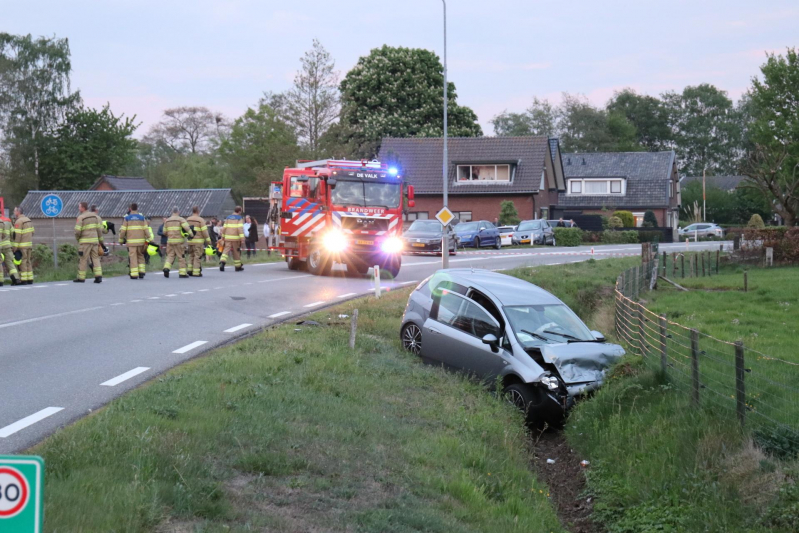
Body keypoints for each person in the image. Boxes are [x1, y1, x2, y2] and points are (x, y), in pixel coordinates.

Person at [73, 201, 104, 283]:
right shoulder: (95, 216)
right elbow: (99, 230)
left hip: (85, 242)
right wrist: (100, 240)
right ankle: (98, 276)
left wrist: (78, 239)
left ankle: (81, 278)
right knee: (95, 258)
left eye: (79, 207)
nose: (78, 208)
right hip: (94, 241)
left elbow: (77, 231)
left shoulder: (81, 217)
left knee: (83, 259)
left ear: (83, 208)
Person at [119, 203, 151, 279]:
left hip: (131, 242)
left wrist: (121, 240)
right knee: (140, 256)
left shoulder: (127, 218)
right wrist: (150, 238)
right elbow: (146, 229)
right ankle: (142, 272)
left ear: (130, 208)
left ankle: (134, 274)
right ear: (137, 208)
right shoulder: (142, 217)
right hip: (141, 241)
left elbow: (123, 231)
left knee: (133, 257)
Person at [162, 207, 193, 278]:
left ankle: (166, 268)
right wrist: (191, 235)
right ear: (178, 212)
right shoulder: (181, 219)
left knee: (170, 256)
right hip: (179, 242)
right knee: (181, 257)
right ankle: (182, 273)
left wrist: (169, 235)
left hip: (170, 242)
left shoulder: (167, 220)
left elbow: (164, 232)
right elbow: (187, 228)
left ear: (172, 211)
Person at [187, 206, 211, 276]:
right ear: (198, 211)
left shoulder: (188, 219)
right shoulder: (200, 220)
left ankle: (189, 270)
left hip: (190, 241)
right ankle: (196, 272)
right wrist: (208, 241)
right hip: (198, 241)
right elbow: (204, 232)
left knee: (191, 255)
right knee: (197, 257)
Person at [12, 206, 34, 284]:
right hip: (29, 245)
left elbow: (17, 236)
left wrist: (15, 247)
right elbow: (33, 232)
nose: (14, 213)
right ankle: (30, 279)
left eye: (14, 211)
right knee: (28, 261)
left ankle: (24, 280)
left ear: (18, 212)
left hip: (22, 246)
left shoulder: (18, 222)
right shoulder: (29, 220)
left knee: (23, 262)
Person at [219, 206, 245, 272]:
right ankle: (237, 266)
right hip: (236, 238)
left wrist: (223, 236)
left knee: (226, 250)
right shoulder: (239, 218)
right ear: (239, 211)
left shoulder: (228, 217)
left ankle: (222, 262)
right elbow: (239, 228)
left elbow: (224, 228)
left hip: (227, 238)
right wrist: (242, 238)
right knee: (236, 252)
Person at [0, 213, 21, 285]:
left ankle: (1, 280)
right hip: (7, 246)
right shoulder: (8, 221)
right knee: (10, 264)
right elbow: (13, 234)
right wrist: (12, 244)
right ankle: (16, 279)